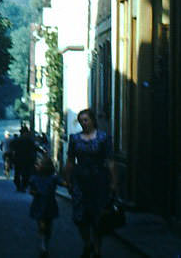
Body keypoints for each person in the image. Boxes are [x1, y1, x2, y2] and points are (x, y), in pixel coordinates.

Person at [63, 108, 116, 258]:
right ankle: (87, 243)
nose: (83, 123)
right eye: (81, 121)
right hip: (80, 180)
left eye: (86, 120)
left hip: (99, 180)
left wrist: (113, 182)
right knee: (80, 216)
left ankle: (98, 248)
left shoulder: (103, 138)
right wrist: (68, 180)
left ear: (93, 120)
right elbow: (70, 161)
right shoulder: (74, 139)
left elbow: (110, 161)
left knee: (98, 216)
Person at [28, 155, 63, 257]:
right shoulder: (35, 178)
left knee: (48, 224)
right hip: (42, 203)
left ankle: (45, 241)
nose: (36, 166)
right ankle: (43, 243)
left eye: (38, 164)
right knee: (42, 223)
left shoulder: (52, 178)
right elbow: (31, 190)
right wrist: (34, 192)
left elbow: (62, 183)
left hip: (46, 203)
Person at [11, 125, 41, 192]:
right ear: (26, 133)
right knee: (26, 174)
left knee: (17, 173)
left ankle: (18, 186)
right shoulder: (29, 140)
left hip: (18, 159)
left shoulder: (16, 140)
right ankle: (23, 186)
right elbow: (35, 148)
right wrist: (42, 151)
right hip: (28, 160)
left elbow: (12, 149)